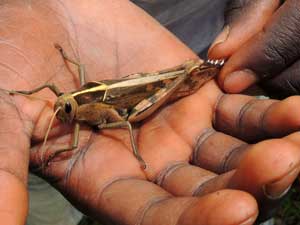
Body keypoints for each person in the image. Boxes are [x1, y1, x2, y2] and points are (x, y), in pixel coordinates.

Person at [0, 1, 299, 225]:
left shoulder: (94, 104)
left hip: (165, 80)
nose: (63, 111)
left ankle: (198, 73)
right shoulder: (73, 106)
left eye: (66, 107)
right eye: (63, 105)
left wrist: (138, 156)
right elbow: (58, 88)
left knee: (241, 188)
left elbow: (127, 125)